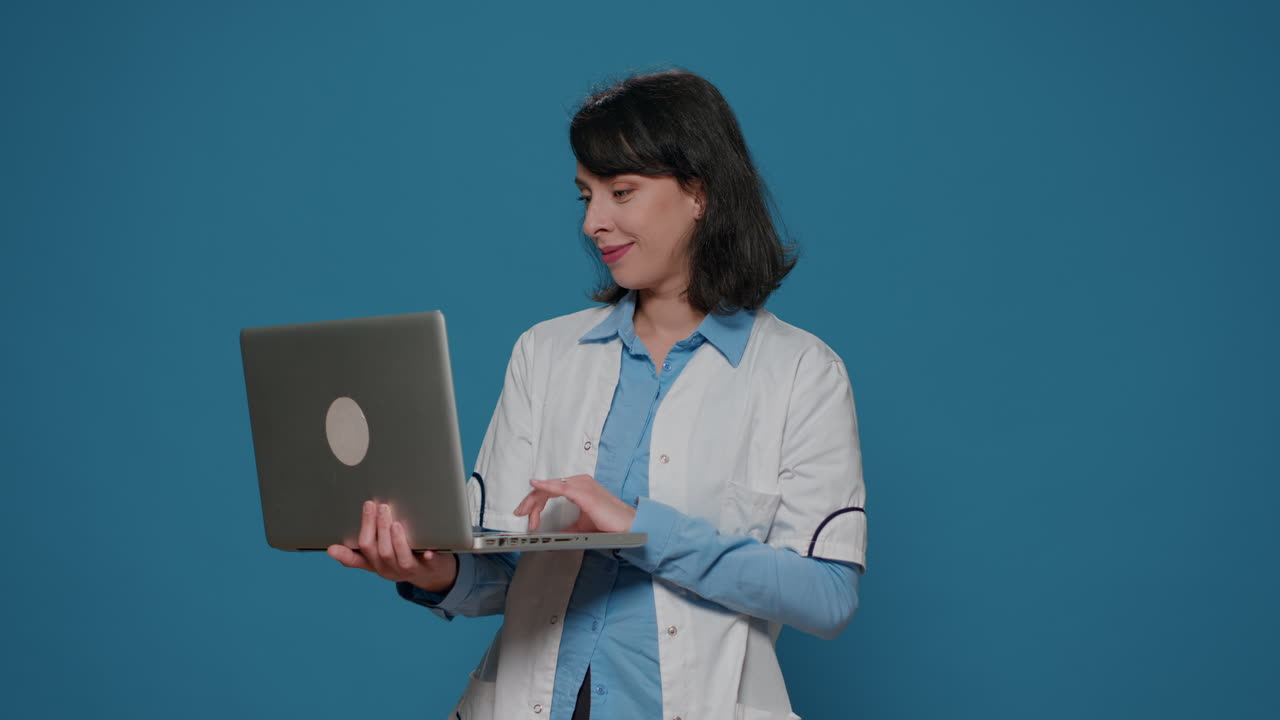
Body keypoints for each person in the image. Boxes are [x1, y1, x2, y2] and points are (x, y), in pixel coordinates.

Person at [327, 68, 868, 720]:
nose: (593, 222)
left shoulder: (802, 373)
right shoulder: (545, 353)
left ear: (699, 193)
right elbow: (507, 574)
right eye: (585, 196)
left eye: (621, 192)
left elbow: (828, 595)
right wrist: (430, 572)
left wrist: (641, 528)